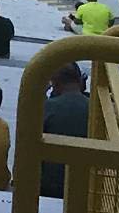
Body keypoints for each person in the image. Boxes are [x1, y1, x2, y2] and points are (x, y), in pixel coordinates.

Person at [37, 65, 89, 198]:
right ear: (80, 81)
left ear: (54, 82)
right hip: (86, 188)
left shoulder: (48, 107)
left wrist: (40, 95)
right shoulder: (95, 108)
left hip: (48, 187)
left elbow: (29, 143)